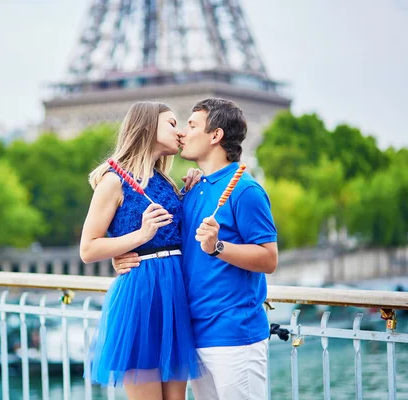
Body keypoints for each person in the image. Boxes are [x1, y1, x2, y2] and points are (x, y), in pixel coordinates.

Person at [114, 98, 278, 400]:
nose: (182, 134)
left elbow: (269, 258)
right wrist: (122, 252)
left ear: (215, 135)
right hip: (193, 335)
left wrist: (218, 246)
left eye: (190, 125)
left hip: (234, 336)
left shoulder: (246, 190)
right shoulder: (190, 191)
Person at [79, 101, 203, 400]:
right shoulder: (113, 181)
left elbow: (176, 233)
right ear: (148, 127)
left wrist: (189, 191)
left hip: (174, 295)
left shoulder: (166, 181)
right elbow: (88, 248)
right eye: (172, 123)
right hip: (141, 296)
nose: (181, 131)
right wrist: (140, 235)